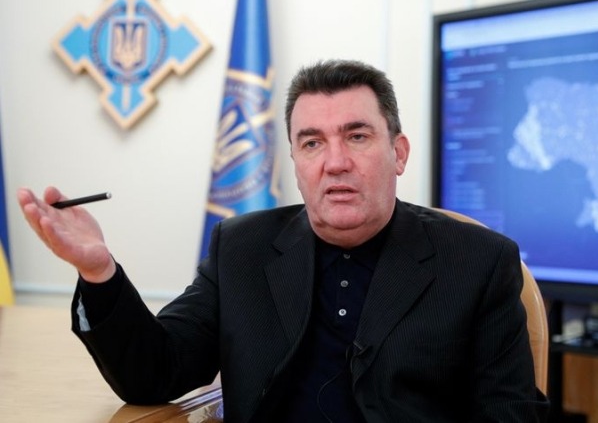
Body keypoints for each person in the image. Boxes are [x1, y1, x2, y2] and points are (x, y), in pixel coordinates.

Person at [17, 59, 549, 422]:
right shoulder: (241, 247)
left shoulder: (479, 262)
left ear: (399, 153)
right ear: (295, 161)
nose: (335, 162)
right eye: (312, 143)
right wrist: (99, 271)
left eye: (357, 136)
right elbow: (154, 373)